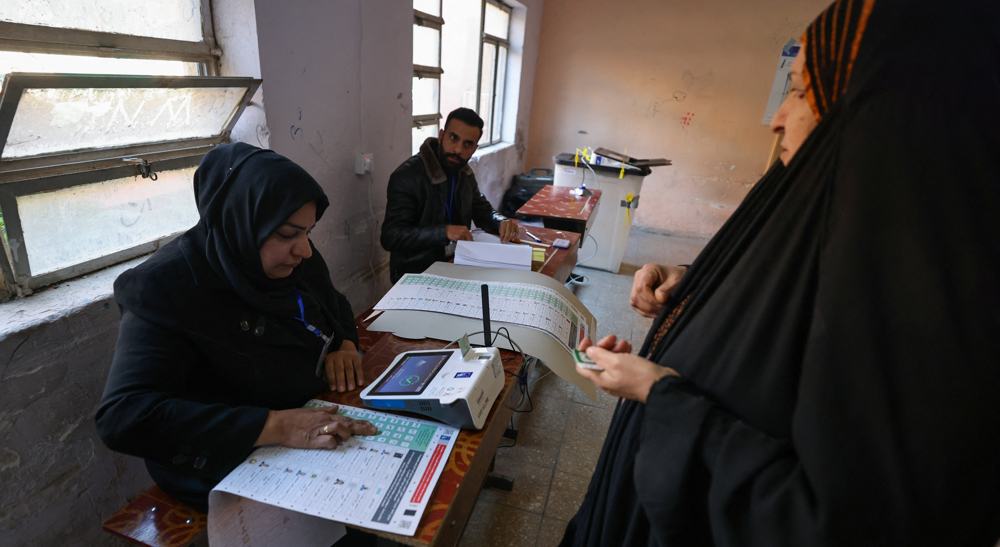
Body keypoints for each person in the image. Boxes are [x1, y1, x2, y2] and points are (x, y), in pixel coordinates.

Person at [562, 0, 1000, 545]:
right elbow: (798, 289)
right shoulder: (823, 209)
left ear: (876, 106)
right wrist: (694, 282)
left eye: (798, 91)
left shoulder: (931, 311)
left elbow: (839, 524)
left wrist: (661, 393)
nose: (775, 118)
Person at [96, 143, 378, 518]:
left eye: (307, 232)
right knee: (346, 511)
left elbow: (333, 302)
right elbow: (124, 417)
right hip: (231, 453)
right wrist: (274, 425)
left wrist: (343, 342)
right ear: (239, 221)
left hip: (308, 414)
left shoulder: (289, 256)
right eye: (287, 234)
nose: (304, 250)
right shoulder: (165, 287)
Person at [381, 108, 519, 283]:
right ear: (441, 136)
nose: (458, 150)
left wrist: (501, 221)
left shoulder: (464, 173)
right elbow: (390, 236)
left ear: (475, 148)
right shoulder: (407, 176)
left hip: (457, 264)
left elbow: (481, 210)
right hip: (416, 274)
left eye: (467, 144)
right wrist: (443, 232)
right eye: (453, 138)